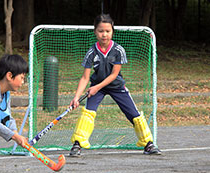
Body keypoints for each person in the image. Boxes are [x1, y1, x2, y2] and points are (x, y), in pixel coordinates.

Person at [69, 14, 161, 157]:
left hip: (116, 86)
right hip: (96, 87)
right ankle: (78, 144)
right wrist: (76, 97)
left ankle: (148, 143)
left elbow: (113, 75)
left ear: (112, 31)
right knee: (88, 113)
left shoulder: (118, 50)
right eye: (100, 31)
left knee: (134, 114)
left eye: (107, 31)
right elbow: (85, 77)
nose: (104, 34)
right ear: (95, 32)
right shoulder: (91, 52)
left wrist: (97, 87)